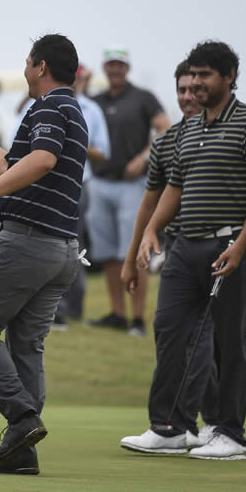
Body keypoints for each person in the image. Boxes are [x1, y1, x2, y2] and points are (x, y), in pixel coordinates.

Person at [121, 41, 246, 460]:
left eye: (205, 75)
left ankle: (230, 433)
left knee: (229, 341)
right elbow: (174, 188)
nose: (196, 83)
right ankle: (169, 428)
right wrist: (151, 230)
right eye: (193, 75)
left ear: (229, 77)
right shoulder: (189, 131)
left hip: (228, 245)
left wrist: (244, 246)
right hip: (185, 247)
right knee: (168, 330)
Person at [0, 34, 86, 475]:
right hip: (62, 249)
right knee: (26, 345)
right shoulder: (72, 110)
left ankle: (22, 418)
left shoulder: (48, 106)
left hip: (27, 242)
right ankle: (21, 450)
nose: (26, 69)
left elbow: (41, 160)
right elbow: (14, 167)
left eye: (28, 62)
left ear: (41, 66)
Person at [90, 46, 171, 335]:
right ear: (105, 68)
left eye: (120, 65)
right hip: (100, 183)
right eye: (111, 65)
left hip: (132, 186)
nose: (115, 70)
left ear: (127, 68)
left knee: (134, 251)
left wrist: (144, 157)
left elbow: (165, 128)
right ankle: (118, 314)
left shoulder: (143, 97)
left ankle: (137, 319)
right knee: (108, 253)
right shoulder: (95, 101)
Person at [53, 63, 109, 328]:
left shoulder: (92, 110)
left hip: (78, 185)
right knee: (53, 244)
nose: (75, 82)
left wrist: (72, 140)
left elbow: (103, 152)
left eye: (79, 78)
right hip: (48, 183)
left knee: (71, 245)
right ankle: (59, 307)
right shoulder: (46, 103)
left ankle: (69, 307)